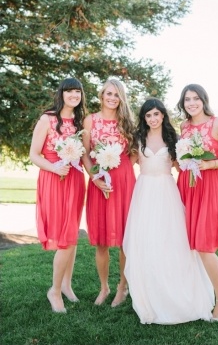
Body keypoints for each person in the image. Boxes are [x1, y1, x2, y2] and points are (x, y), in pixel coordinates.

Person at [123, 98, 214, 324]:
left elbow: (181, 167)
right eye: (148, 115)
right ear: (144, 118)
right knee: (147, 240)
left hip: (166, 192)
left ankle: (176, 292)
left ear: (163, 115)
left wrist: (195, 164)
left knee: (171, 240)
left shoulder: (174, 139)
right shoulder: (139, 139)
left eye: (156, 114)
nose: (153, 119)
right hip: (144, 193)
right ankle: (150, 294)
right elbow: (127, 165)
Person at [176, 83, 218, 322]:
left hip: (211, 187)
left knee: (204, 245)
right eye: (187, 99)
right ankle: (197, 295)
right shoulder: (183, 126)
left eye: (196, 99)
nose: (191, 103)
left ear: (204, 100)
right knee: (190, 244)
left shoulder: (217, 124)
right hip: (188, 187)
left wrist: (209, 164)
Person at [29, 77, 88, 313]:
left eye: (78, 91)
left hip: (74, 179)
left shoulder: (80, 121)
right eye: (69, 91)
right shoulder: (47, 119)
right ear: (61, 93)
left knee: (71, 233)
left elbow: (84, 154)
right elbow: (34, 154)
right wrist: (54, 167)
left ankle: (66, 285)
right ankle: (53, 290)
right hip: (54, 178)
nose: (74, 95)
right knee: (65, 236)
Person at [82, 78, 137, 307]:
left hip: (123, 182)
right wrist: (95, 176)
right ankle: (104, 287)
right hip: (98, 181)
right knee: (102, 241)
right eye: (109, 94)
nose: (112, 98)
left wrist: (124, 168)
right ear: (102, 94)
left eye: (117, 95)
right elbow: (85, 153)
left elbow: (135, 151)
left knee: (125, 239)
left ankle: (122, 288)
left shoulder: (127, 121)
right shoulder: (90, 120)